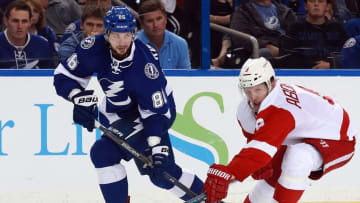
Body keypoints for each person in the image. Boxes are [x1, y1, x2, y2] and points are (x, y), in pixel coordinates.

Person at [53, 6, 203, 202]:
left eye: (127, 35)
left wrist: (155, 145)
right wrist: (76, 96)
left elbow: (155, 112)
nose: (122, 42)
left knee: (162, 174)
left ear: (134, 33)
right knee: (103, 154)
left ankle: (209, 198)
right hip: (118, 112)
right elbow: (63, 76)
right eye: (116, 35)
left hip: (154, 114)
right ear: (106, 34)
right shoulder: (92, 48)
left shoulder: (146, 64)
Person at [202, 57, 357, 203]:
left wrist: (228, 172)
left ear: (271, 83)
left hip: (339, 139)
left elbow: (259, 151)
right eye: (248, 91)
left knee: (297, 159)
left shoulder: (281, 108)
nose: (253, 97)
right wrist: (234, 173)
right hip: (304, 134)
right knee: (273, 175)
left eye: (258, 90)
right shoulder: (245, 109)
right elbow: (255, 146)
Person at [278, 0, 348, 69]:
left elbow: (348, 56)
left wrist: (331, 64)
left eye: (320, 1)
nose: (316, 4)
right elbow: (285, 57)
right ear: (305, 6)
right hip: (303, 74)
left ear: (327, 7)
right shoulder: (295, 27)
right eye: (312, 1)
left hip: (333, 75)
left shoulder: (337, 28)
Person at [229, 0, 297, 59]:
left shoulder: (286, 11)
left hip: (289, 52)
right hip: (262, 57)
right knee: (264, 53)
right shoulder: (242, 12)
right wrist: (267, 46)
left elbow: (298, 34)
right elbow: (241, 38)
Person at [137, 0, 191, 69]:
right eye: (150, 21)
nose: (155, 25)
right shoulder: (131, 45)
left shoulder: (180, 44)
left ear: (165, 19)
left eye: (159, 19)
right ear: (142, 24)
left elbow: (185, 77)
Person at [0, 0, 53, 69]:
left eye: (24, 21)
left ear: (30, 22)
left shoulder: (43, 45)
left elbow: (50, 75)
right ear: (6, 21)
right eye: (15, 21)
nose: (20, 26)